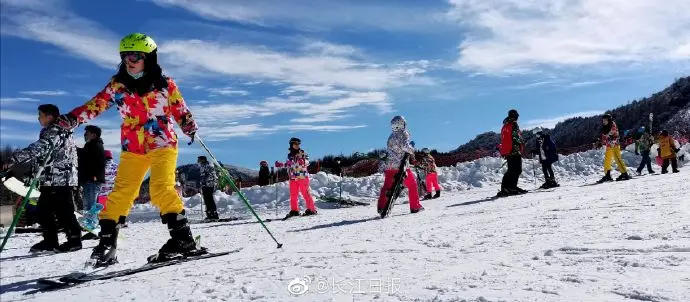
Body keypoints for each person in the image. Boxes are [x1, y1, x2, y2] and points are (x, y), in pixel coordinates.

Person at [55, 33, 202, 265]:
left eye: (135, 55)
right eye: (125, 56)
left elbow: (179, 109)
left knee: (161, 188)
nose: (129, 60)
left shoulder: (165, 83)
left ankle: (183, 240)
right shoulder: (118, 85)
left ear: (149, 57)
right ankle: (106, 245)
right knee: (121, 193)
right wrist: (72, 118)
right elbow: (96, 104)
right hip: (133, 146)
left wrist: (189, 126)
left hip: (162, 142)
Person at [3, 104, 82, 253]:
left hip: (60, 178)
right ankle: (50, 241)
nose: (38, 118)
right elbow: (42, 158)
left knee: (63, 211)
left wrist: (13, 159)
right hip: (52, 178)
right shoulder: (54, 130)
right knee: (43, 210)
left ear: (49, 116)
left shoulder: (56, 131)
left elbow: (38, 149)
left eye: (40, 115)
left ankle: (74, 240)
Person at [377, 116, 423, 214]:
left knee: (387, 186)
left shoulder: (391, 136)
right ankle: (415, 206)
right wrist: (412, 149)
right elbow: (404, 146)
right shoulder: (404, 133)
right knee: (412, 184)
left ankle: (381, 206)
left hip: (389, 166)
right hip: (401, 166)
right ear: (401, 124)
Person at [283, 137, 317, 219]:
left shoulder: (302, 152)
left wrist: (303, 161)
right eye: (295, 144)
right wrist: (281, 165)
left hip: (302, 176)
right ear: (291, 144)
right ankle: (294, 210)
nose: (297, 145)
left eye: (298, 144)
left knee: (305, 193)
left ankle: (311, 209)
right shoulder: (289, 155)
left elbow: (307, 162)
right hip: (292, 177)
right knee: (293, 194)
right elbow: (289, 164)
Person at [498, 109, 526, 196]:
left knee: (512, 170)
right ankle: (508, 187)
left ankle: (509, 187)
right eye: (517, 115)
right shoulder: (513, 124)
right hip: (514, 150)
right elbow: (516, 137)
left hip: (509, 150)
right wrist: (522, 141)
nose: (518, 116)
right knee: (515, 170)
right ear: (514, 115)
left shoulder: (506, 125)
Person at [78, 125, 105, 213]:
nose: (85, 135)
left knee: (90, 205)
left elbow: (86, 158)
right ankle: (89, 223)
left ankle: (91, 224)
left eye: (87, 133)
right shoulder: (91, 145)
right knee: (88, 205)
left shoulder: (95, 145)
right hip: (90, 180)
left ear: (94, 135)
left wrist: (75, 150)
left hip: (92, 180)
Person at [596, 114, 630, 182]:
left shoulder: (612, 125)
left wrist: (612, 139)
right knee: (607, 160)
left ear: (609, 120)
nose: (604, 122)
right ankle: (607, 175)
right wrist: (600, 143)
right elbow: (604, 136)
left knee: (617, 158)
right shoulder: (605, 127)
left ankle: (624, 173)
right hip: (609, 146)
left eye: (605, 120)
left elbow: (613, 135)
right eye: (603, 120)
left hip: (615, 145)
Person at [198, 156, 219, 220]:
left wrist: (204, 181)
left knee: (209, 198)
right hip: (205, 185)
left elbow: (211, 175)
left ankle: (213, 214)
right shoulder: (202, 166)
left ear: (203, 160)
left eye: (199, 160)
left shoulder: (208, 165)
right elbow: (203, 175)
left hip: (209, 184)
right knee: (206, 199)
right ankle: (209, 214)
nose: (198, 161)